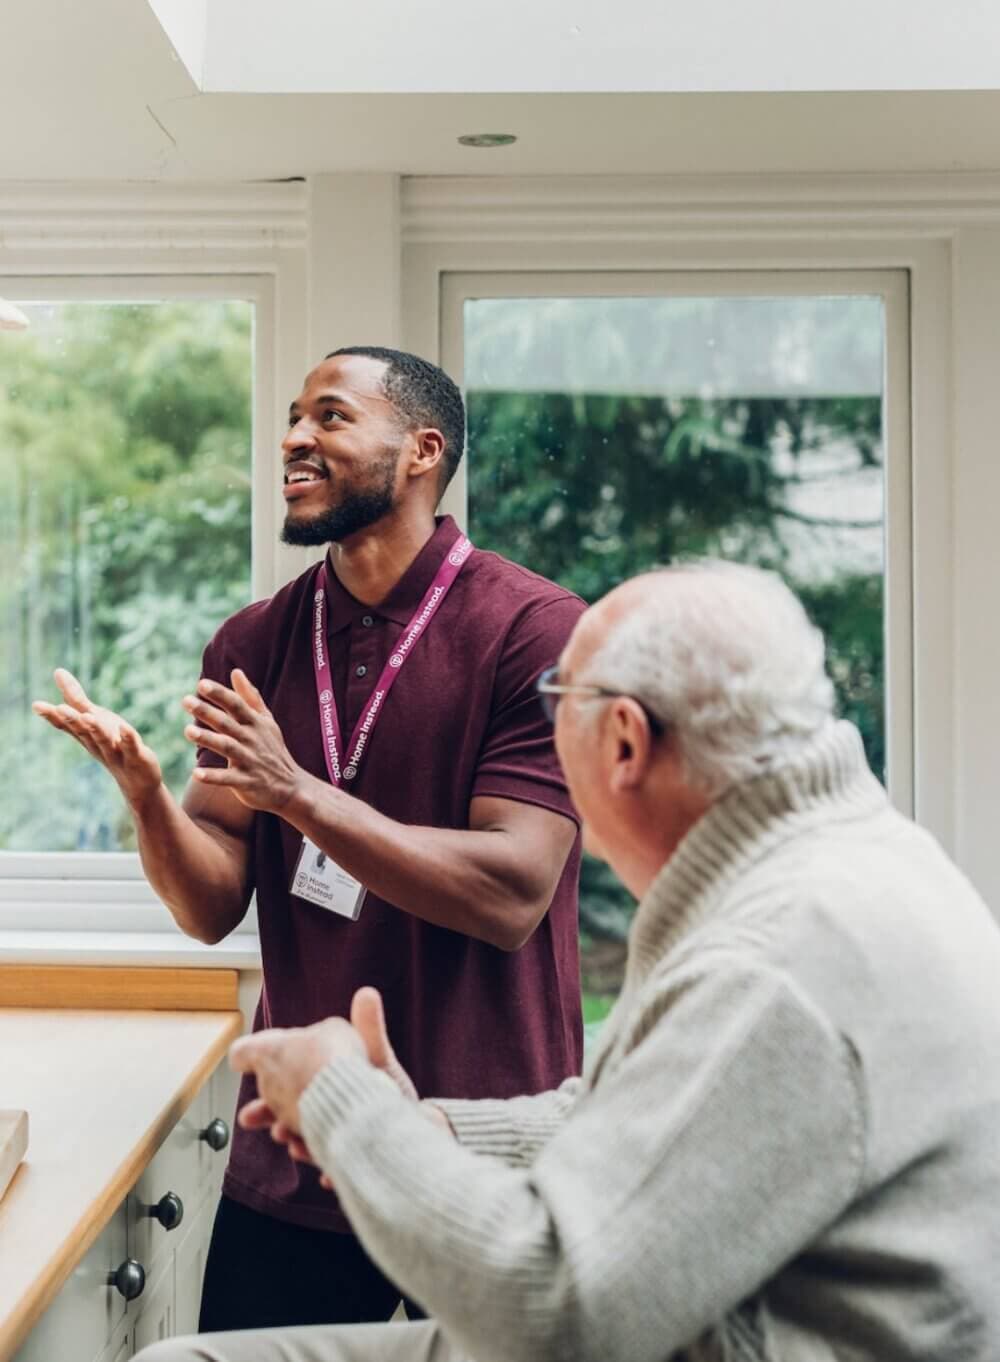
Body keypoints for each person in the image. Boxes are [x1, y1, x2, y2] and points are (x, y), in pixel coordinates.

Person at [138, 560, 1000, 1362]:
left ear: (623, 743)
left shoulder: (775, 959)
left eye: (560, 702)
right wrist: (439, 1128)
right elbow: (676, 1117)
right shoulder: (860, 859)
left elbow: (556, 1314)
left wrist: (341, 1104)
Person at [33, 347, 585, 1330]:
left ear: (421, 451)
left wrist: (297, 793)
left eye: (330, 417)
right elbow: (209, 907)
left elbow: (511, 895)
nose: (293, 438)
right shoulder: (253, 643)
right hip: (291, 1168)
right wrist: (150, 799)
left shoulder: (535, 631)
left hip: (477, 1164)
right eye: (292, 417)